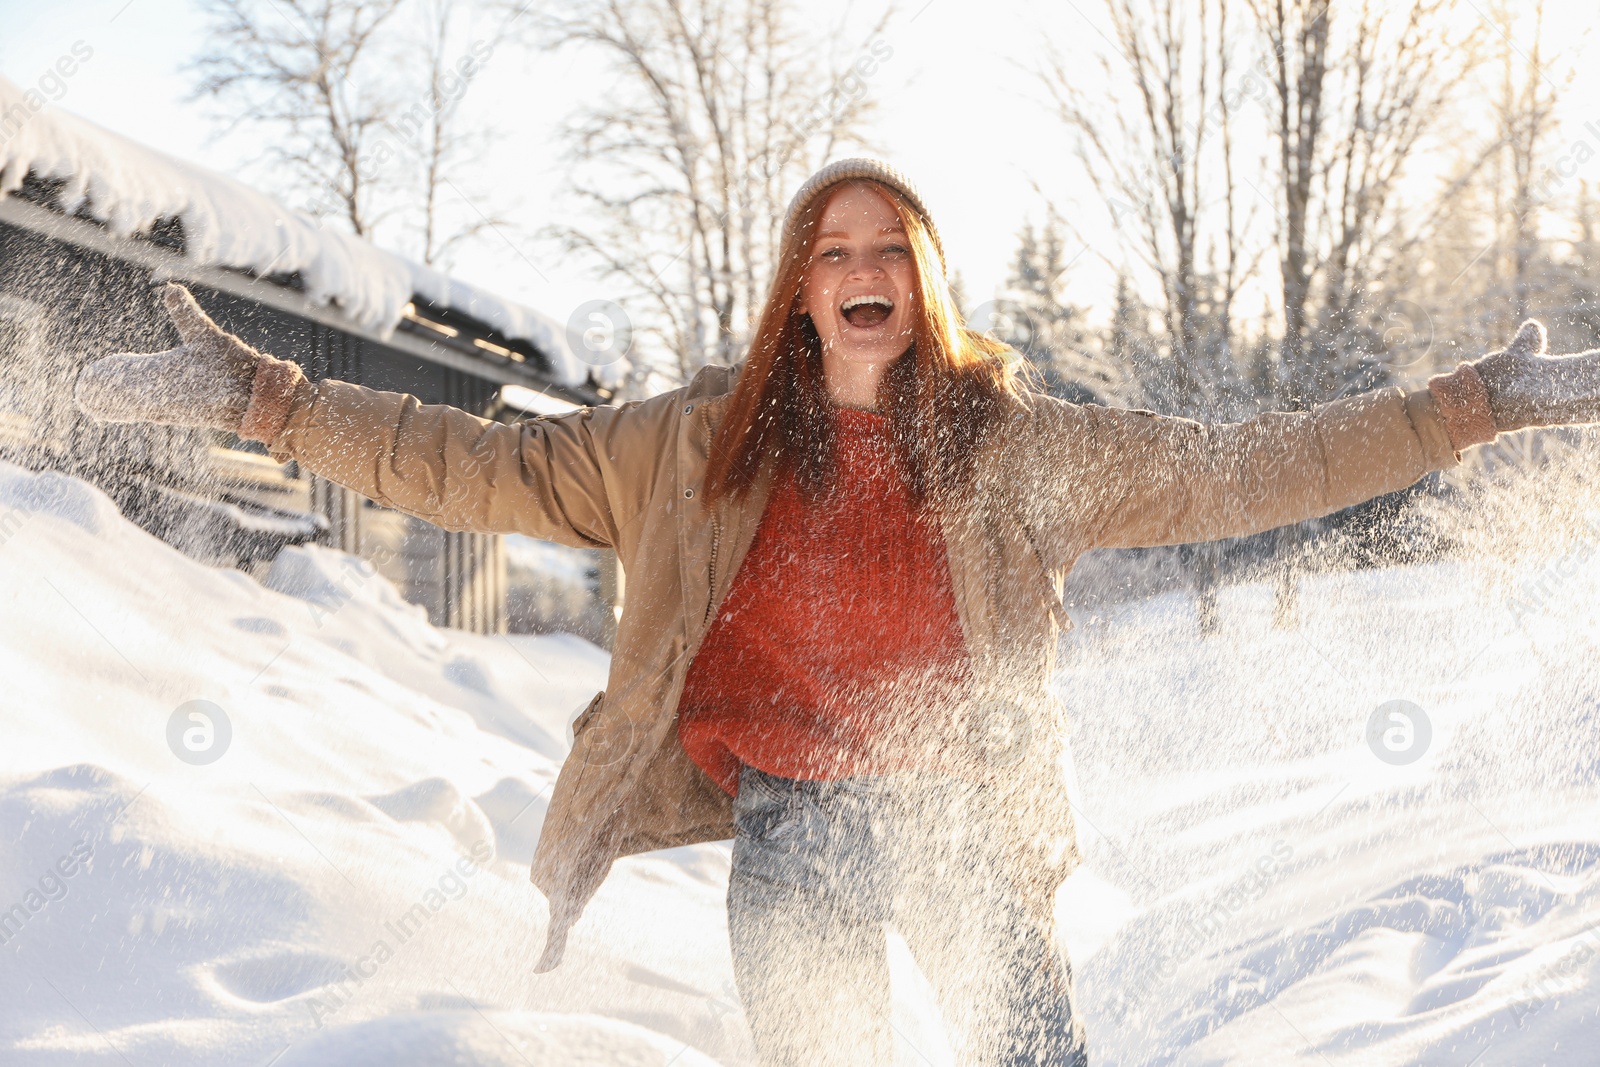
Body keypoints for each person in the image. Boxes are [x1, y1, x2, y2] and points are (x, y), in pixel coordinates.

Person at [74, 157, 1600, 1065]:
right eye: (833, 250)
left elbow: (1251, 467)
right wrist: (270, 397)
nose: (862, 270)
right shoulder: (684, 448)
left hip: (958, 822)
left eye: (889, 249)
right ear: (798, 289)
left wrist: (1467, 405)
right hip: (791, 828)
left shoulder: (1020, 449)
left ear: (921, 280)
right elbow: (467, 461)